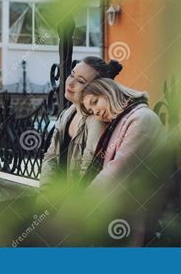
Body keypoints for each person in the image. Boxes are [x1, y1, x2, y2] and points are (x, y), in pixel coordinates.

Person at [76, 78, 170, 246]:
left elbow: (120, 168)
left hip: (139, 212)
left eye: (95, 102)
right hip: (123, 209)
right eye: (91, 110)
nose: (96, 112)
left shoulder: (142, 118)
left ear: (109, 92)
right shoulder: (121, 121)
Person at [37, 57, 123, 208]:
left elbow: (88, 175)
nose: (70, 83)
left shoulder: (96, 122)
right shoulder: (67, 114)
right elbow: (50, 157)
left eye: (81, 81)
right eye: (72, 74)